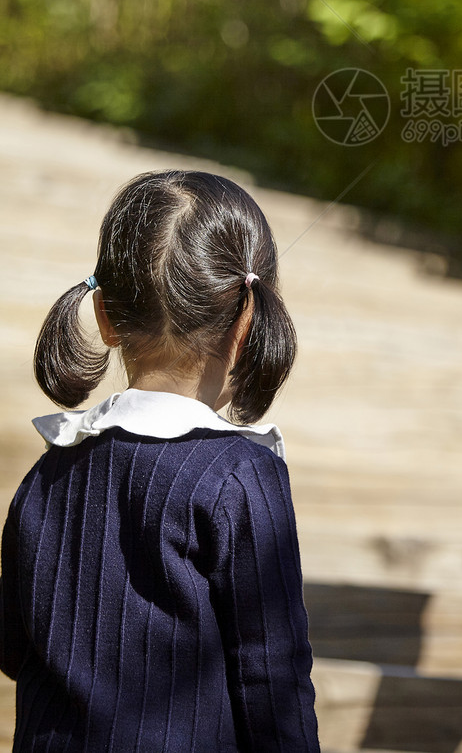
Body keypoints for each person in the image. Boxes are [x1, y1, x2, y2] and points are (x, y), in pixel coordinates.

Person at [0, 169, 320, 753]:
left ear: (104, 317)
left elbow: (13, 649)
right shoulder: (240, 479)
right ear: (249, 321)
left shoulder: (47, 473)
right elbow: (274, 681)